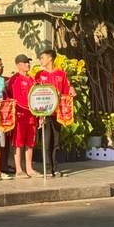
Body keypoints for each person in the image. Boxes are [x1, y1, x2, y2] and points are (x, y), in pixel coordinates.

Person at [35, 49, 76, 177]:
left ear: (50, 59)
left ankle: (56, 168)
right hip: (45, 113)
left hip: (58, 113)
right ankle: (47, 169)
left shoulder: (61, 74)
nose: (41, 60)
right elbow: (36, 93)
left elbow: (66, 90)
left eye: (42, 57)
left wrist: (71, 89)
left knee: (56, 142)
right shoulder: (39, 74)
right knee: (46, 142)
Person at [6, 54, 40, 177]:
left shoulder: (32, 80)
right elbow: (17, 97)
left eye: (28, 62)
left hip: (32, 116)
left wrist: (39, 115)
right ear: (18, 65)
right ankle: (19, 169)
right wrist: (31, 105)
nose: (27, 64)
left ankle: (29, 168)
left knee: (30, 143)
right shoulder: (16, 79)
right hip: (20, 116)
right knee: (18, 143)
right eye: (25, 62)